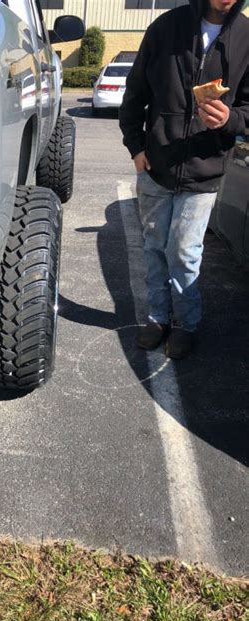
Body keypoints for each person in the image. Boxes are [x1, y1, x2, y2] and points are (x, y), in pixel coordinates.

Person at [119, 0, 249, 359]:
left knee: (184, 252)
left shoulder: (246, 38)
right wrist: (135, 147)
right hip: (156, 165)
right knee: (154, 247)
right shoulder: (166, 28)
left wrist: (230, 119)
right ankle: (158, 318)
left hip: (204, 168)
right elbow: (135, 94)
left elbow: (248, 110)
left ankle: (185, 324)